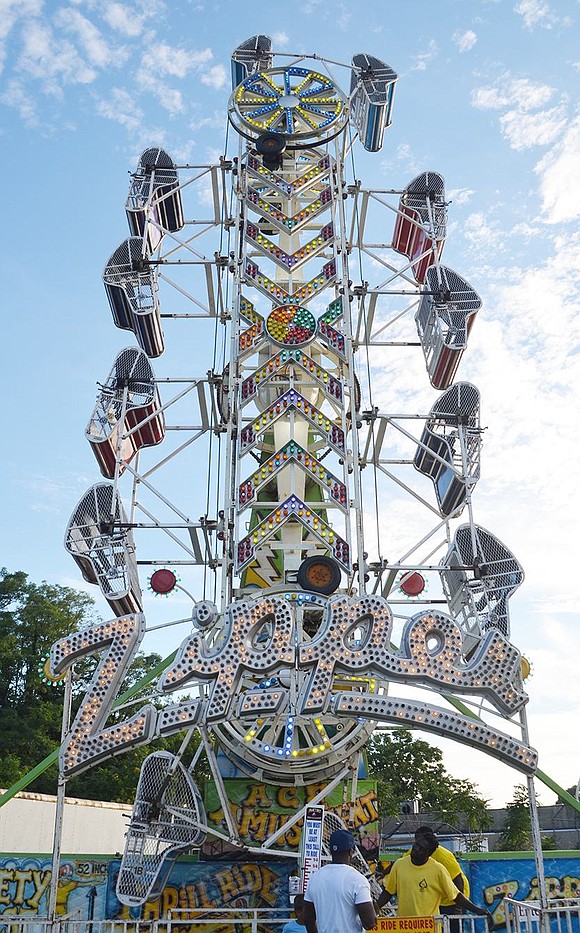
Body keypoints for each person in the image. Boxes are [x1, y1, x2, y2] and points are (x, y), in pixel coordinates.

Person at [375, 832, 493, 924]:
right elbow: (388, 891)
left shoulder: (438, 869)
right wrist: (376, 907)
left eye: (422, 849)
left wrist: (477, 910)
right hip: (405, 925)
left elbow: (456, 895)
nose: (416, 849)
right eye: (416, 845)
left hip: (429, 926)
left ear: (428, 854)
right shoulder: (399, 864)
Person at [304, 829, 377, 933]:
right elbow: (369, 923)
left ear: (331, 851)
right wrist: (374, 913)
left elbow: (308, 919)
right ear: (351, 851)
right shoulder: (357, 879)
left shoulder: (315, 878)